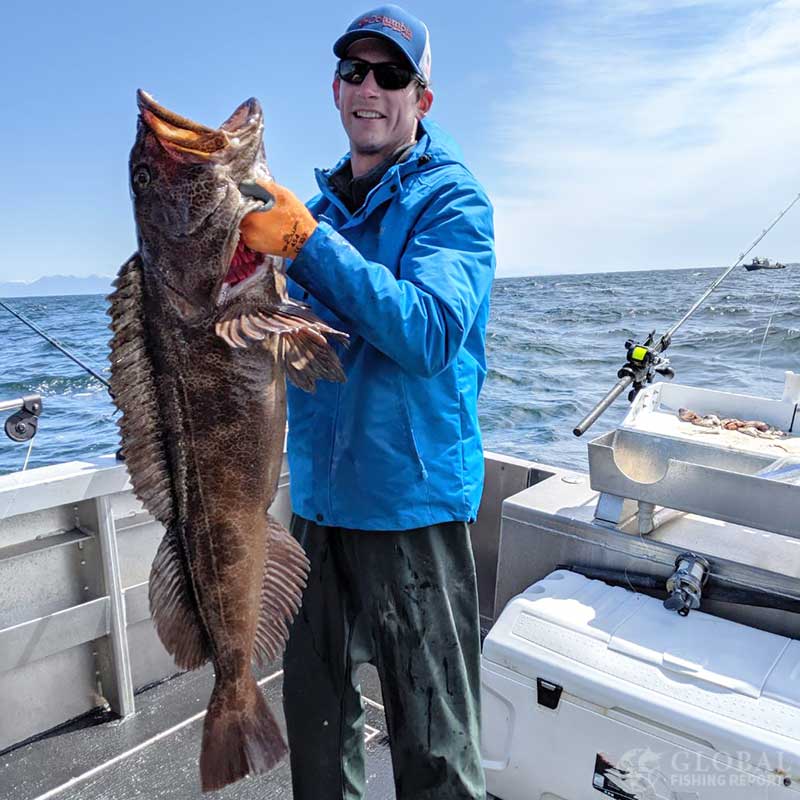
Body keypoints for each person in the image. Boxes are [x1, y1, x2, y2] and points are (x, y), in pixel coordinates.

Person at [239, 5, 495, 798]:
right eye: (355, 71)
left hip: (410, 508)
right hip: (316, 505)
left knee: (434, 748)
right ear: (337, 89)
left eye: (391, 75)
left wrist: (309, 244)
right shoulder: (315, 211)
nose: (370, 89)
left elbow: (427, 333)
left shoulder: (453, 203)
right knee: (318, 732)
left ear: (422, 98)